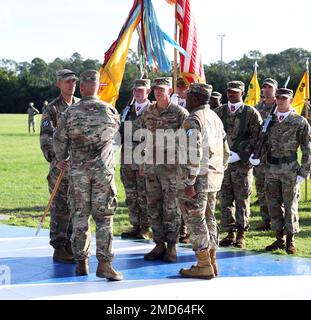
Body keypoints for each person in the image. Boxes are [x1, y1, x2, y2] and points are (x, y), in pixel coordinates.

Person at [53, 70, 122, 280]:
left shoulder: (70, 113)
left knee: (80, 216)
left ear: (82, 87)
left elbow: (59, 139)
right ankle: (104, 264)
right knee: (104, 218)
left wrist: (61, 158)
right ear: (98, 87)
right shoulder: (109, 111)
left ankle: (81, 262)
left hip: (78, 172)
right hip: (102, 172)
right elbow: (116, 137)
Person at [177, 83, 229, 279]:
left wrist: (190, 181)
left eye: (188, 96)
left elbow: (193, 152)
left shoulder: (193, 119)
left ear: (195, 98)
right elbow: (226, 150)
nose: (186, 99)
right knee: (209, 218)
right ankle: (212, 261)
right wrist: (220, 171)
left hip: (198, 179)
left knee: (195, 219)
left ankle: (203, 264)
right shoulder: (215, 117)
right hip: (213, 177)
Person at [256, 88, 311, 254]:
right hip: (271, 168)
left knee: (290, 205)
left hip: (289, 169)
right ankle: (279, 238)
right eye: (278, 98)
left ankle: (290, 240)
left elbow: (308, 148)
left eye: (284, 98)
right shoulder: (269, 121)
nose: (280, 101)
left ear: (291, 100)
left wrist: (304, 171)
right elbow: (262, 144)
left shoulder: (299, 122)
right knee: (273, 205)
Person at [141, 77, 189, 262]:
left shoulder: (179, 113)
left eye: (162, 89)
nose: (158, 92)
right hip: (152, 166)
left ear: (169, 91)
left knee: (172, 208)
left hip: (171, 168)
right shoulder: (148, 112)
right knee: (153, 206)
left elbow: (188, 141)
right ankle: (159, 243)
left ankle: (172, 246)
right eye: (156, 89)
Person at [215, 81, 262, 249]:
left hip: (241, 165)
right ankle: (229, 233)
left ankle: (241, 234)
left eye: (235, 92)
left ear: (242, 92)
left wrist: (241, 155)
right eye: (229, 91)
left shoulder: (250, 113)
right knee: (225, 199)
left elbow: (257, 138)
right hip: (223, 164)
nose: (231, 94)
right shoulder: (219, 112)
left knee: (242, 199)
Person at [40, 69, 79, 263]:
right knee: (60, 207)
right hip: (60, 167)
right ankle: (59, 246)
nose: (71, 84)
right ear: (59, 84)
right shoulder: (52, 109)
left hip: (78, 167)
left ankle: (71, 243)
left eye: (73, 81)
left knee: (75, 205)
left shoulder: (80, 105)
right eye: (67, 81)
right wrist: (57, 159)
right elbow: (46, 139)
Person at [120, 79, 151, 240]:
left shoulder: (153, 110)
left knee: (144, 194)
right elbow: (120, 132)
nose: (138, 93)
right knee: (131, 194)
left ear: (148, 92)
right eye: (135, 90)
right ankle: (135, 225)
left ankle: (146, 227)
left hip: (143, 159)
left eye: (141, 90)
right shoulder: (128, 110)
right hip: (126, 158)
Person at [253, 78, 278, 230]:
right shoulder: (257, 108)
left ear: (275, 89)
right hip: (260, 154)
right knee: (261, 188)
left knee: (274, 190)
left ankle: (277, 221)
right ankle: (265, 219)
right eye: (265, 87)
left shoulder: (280, 107)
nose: (267, 90)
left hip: (275, 154)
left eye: (270, 87)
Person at [170, 76, 190, 243]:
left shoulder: (190, 107)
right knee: (173, 196)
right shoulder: (172, 105)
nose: (181, 89)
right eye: (178, 86)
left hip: (185, 156)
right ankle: (178, 230)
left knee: (185, 196)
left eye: (183, 87)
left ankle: (187, 230)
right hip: (170, 156)